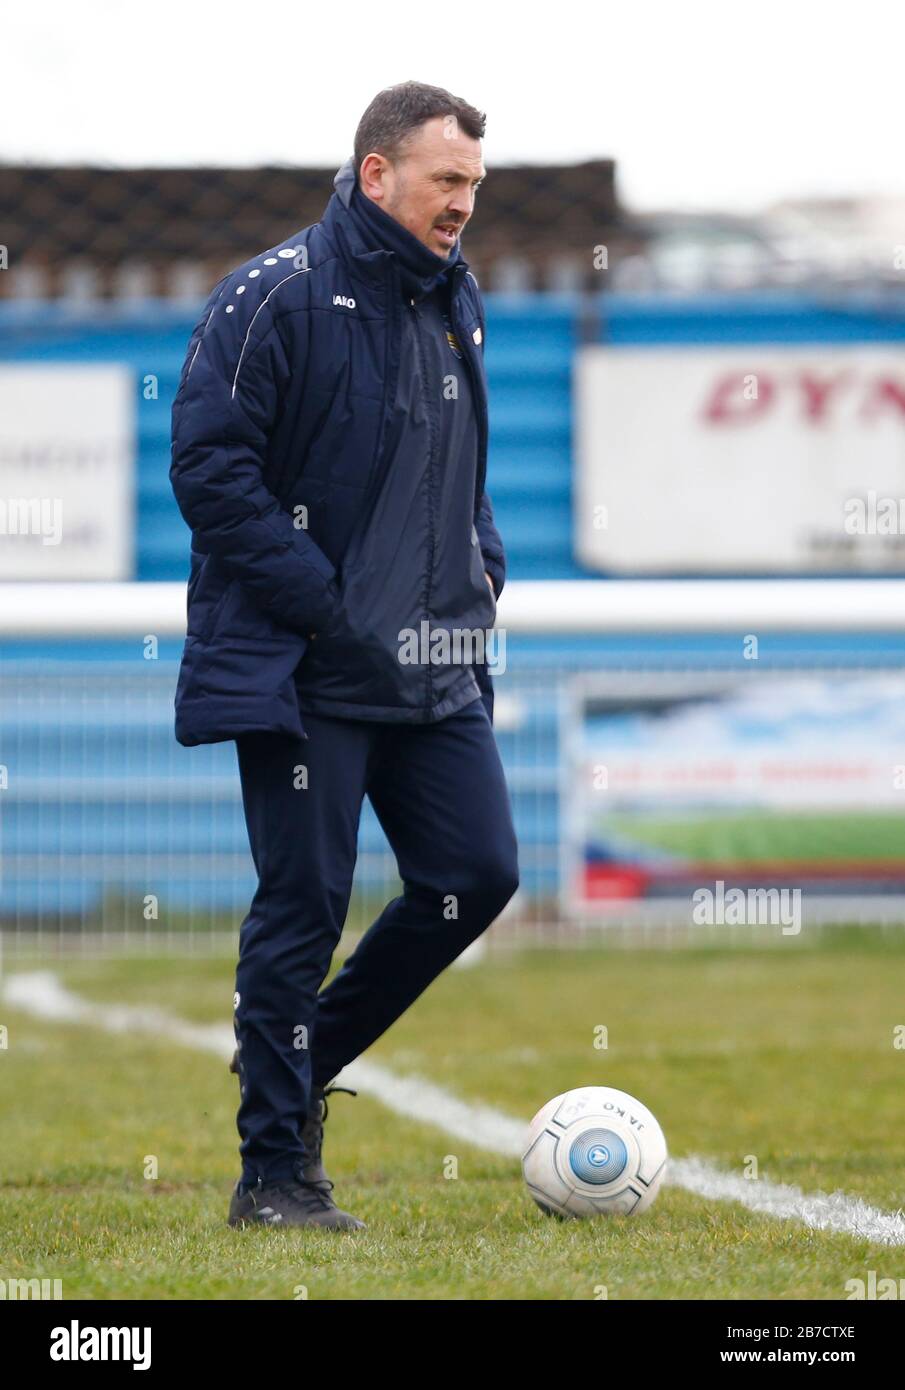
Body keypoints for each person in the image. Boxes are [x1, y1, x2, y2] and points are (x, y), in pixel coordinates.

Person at [170, 81, 519, 1230]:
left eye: (473, 182)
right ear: (377, 174)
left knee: (476, 876)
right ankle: (273, 1172)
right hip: (309, 668)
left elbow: (454, 467)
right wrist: (322, 603)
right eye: (445, 180)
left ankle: (297, 1056)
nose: (463, 202)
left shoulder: (456, 297)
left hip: (434, 665)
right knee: (302, 905)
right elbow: (210, 473)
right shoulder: (270, 299)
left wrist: (481, 565)